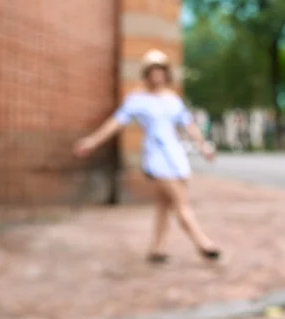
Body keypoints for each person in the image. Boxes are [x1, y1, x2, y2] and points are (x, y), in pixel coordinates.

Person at [73, 49, 221, 264]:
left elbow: (189, 126)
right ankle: (204, 243)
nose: (157, 75)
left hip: (175, 154)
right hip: (156, 155)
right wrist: (92, 141)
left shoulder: (172, 99)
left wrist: (203, 147)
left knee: (164, 203)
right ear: (146, 73)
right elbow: (116, 123)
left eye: (160, 70)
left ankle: (157, 249)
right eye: (153, 71)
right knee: (181, 202)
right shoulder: (137, 99)